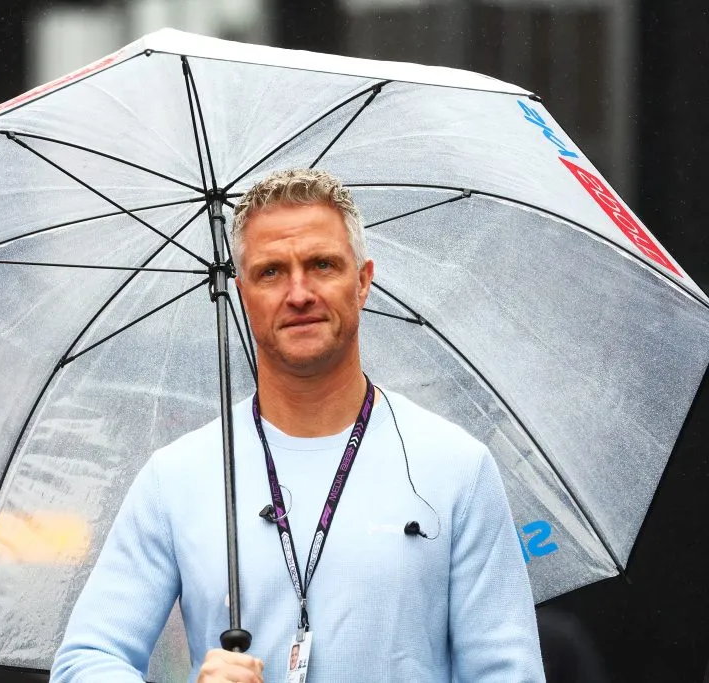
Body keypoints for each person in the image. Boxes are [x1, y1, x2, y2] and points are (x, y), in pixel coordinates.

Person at [51, 169, 544, 682]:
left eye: (322, 265)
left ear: (363, 280)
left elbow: (508, 673)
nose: (299, 292)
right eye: (271, 272)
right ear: (242, 294)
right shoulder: (177, 476)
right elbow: (85, 662)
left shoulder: (455, 467)